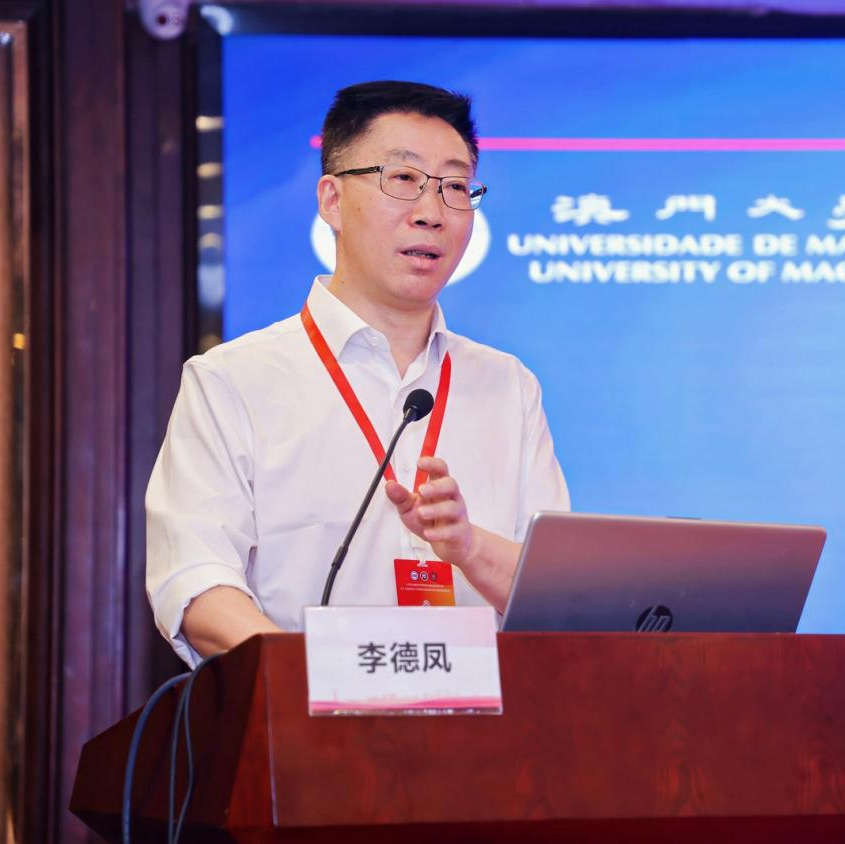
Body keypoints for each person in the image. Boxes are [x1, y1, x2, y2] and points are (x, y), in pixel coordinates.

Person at [145, 80, 570, 666]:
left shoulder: (508, 386)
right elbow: (195, 581)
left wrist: (469, 547)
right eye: (403, 179)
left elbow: (559, 599)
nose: (432, 213)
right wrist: (311, 679)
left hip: (485, 719)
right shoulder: (232, 381)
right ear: (332, 200)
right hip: (301, 714)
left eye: (454, 187)